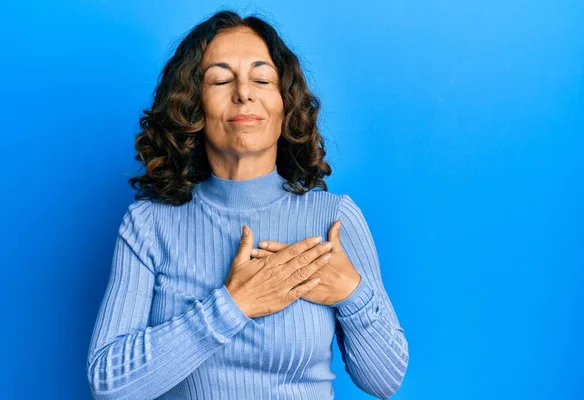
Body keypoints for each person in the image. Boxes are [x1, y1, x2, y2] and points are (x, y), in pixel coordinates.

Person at [86, 10, 409, 400]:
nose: (244, 92)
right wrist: (233, 305)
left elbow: (385, 381)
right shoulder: (149, 224)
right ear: (191, 107)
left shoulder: (333, 219)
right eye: (221, 79)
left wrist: (350, 293)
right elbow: (108, 384)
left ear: (284, 105)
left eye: (262, 78)